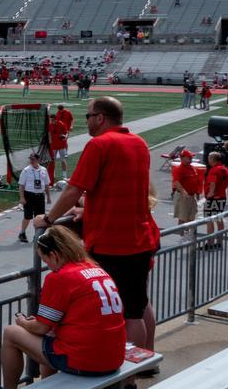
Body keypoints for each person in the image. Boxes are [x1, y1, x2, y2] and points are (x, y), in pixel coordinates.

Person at [33, 96, 159, 352]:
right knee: (137, 308)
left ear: (100, 117)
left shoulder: (100, 145)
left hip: (113, 244)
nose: (86, 121)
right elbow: (123, 190)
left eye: (88, 116)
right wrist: (89, 210)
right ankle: (142, 366)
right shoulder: (139, 143)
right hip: (141, 238)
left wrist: (48, 219)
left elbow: (73, 189)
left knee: (118, 313)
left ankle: (123, 374)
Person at [0, 226, 127, 389]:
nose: (47, 265)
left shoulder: (60, 277)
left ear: (54, 255)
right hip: (113, 357)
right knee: (50, 336)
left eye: (45, 260)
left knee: (10, 333)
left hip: (86, 360)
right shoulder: (95, 268)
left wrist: (22, 322)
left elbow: (41, 327)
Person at [203, 150, 228, 250]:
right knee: (219, 220)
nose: (208, 159)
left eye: (209, 158)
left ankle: (210, 243)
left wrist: (211, 193)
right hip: (222, 197)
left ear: (212, 159)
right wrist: (223, 187)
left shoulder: (214, 170)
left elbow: (212, 183)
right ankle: (219, 243)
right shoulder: (224, 169)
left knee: (209, 220)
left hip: (213, 198)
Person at [18, 153, 51, 243]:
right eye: (30, 159)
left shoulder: (43, 170)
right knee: (27, 216)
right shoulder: (26, 170)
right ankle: (22, 233)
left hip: (40, 196)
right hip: (29, 195)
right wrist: (22, 198)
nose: (31, 161)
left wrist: (48, 196)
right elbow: (21, 185)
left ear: (38, 160)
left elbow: (47, 184)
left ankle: (37, 236)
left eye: (33, 159)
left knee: (39, 217)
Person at [171, 149, 203, 241]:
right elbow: (176, 182)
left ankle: (187, 235)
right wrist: (184, 192)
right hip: (184, 196)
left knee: (191, 216)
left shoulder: (192, 168)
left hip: (192, 196)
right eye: (188, 157)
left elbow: (196, 181)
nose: (190, 158)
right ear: (182, 158)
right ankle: (181, 237)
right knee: (182, 217)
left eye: (191, 157)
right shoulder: (178, 169)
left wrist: (197, 193)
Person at [49, 114, 69, 179]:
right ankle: (53, 174)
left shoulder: (61, 124)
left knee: (63, 160)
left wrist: (64, 137)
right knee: (52, 161)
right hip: (53, 146)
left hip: (61, 145)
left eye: (51, 120)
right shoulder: (50, 125)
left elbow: (66, 133)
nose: (50, 121)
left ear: (55, 119)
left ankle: (64, 175)